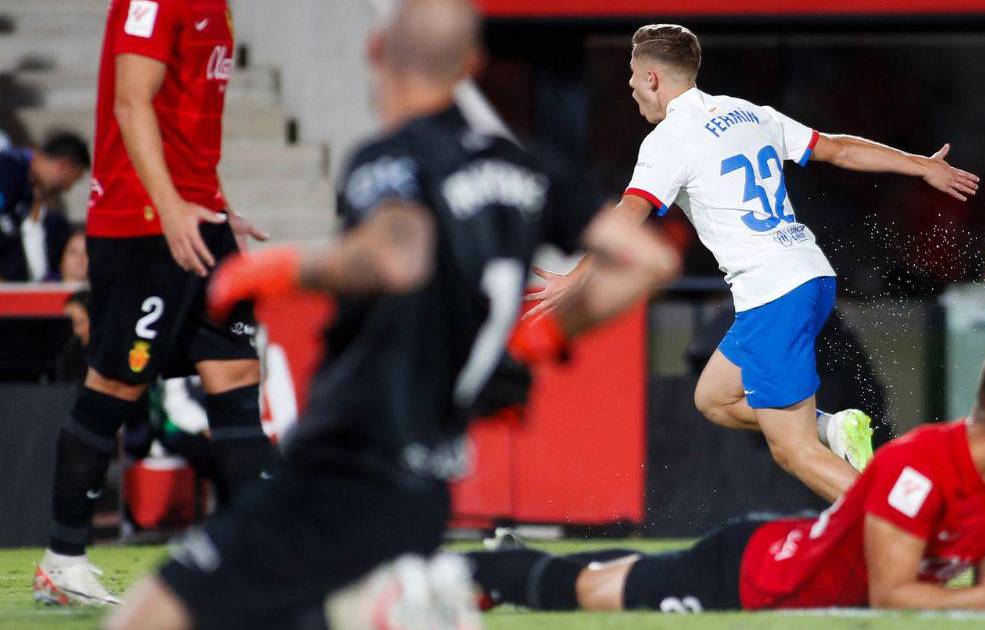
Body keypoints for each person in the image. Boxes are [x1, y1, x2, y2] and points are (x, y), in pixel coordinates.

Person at [104, 1, 679, 629]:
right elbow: (650, 261)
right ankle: (381, 604)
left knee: (147, 618)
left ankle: (387, 606)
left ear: (375, 51)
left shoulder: (390, 158)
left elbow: (398, 256)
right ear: (472, 65)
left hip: (339, 468)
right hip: (426, 490)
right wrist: (543, 334)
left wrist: (281, 269)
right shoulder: (527, 168)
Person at [528, 24, 981, 501]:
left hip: (773, 291)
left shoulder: (669, 138)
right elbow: (839, 149)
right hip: (809, 274)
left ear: (652, 78)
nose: (629, 85)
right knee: (713, 398)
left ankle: (908, 521)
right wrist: (921, 164)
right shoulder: (748, 113)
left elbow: (628, 216)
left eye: (633, 75)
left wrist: (576, 279)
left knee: (794, 451)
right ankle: (832, 428)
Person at [467, 350, 985, 614]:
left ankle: (498, 565)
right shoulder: (920, 467)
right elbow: (894, 595)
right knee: (595, 592)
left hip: (789, 548)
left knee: (629, 570)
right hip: (753, 579)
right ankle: (469, 573)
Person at [34, 0, 274, 606]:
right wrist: (170, 208)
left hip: (199, 217)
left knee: (237, 374)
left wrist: (218, 206)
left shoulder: (219, 9)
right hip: (143, 224)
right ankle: (62, 561)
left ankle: (259, 563)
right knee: (118, 382)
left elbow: (189, 133)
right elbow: (130, 102)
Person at [0, 132, 89, 282]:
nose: (68, 188)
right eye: (72, 179)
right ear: (64, 165)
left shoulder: (50, 219)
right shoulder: (8, 172)